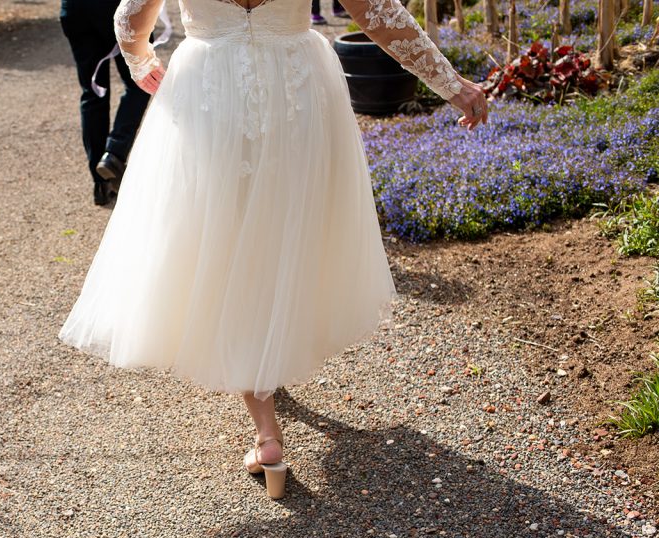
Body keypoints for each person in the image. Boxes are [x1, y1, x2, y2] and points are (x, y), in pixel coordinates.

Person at [58, 0, 488, 499]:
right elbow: (381, 18)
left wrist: (141, 62)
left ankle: (267, 432)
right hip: (297, 89)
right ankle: (268, 375)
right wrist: (454, 87)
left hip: (211, 92)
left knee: (231, 236)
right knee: (285, 229)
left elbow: (130, 19)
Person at [59, 0, 153, 206]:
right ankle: (114, 153)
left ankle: (101, 183)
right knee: (141, 81)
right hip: (116, 7)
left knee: (93, 94)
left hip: (75, 10)